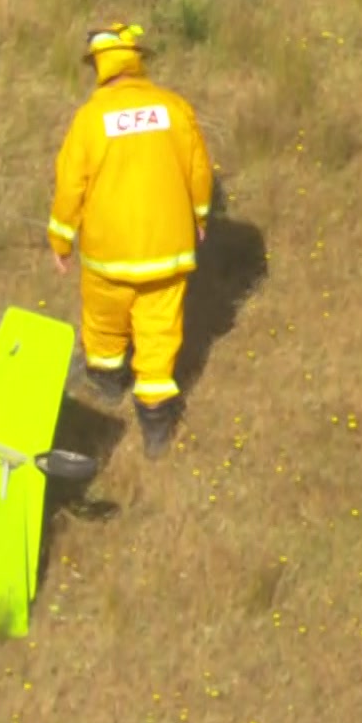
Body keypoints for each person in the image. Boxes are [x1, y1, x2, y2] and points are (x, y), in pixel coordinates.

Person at [47, 23, 214, 459]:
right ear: (137, 58)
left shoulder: (89, 120)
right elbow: (198, 170)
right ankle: (156, 427)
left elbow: (70, 185)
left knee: (104, 325)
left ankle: (105, 383)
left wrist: (60, 240)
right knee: (159, 335)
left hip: (108, 256)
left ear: (99, 66)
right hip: (167, 251)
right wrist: (199, 215)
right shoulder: (173, 107)